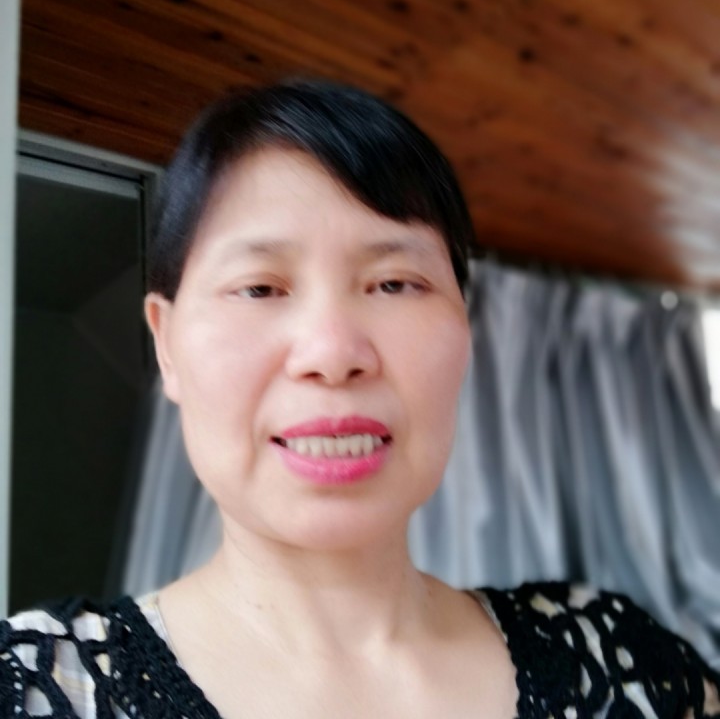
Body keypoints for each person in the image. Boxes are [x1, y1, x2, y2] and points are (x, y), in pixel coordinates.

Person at [1, 79, 718, 719]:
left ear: (465, 331)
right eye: (260, 288)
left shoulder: (623, 664)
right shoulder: (39, 687)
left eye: (395, 283)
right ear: (166, 344)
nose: (333, 353)